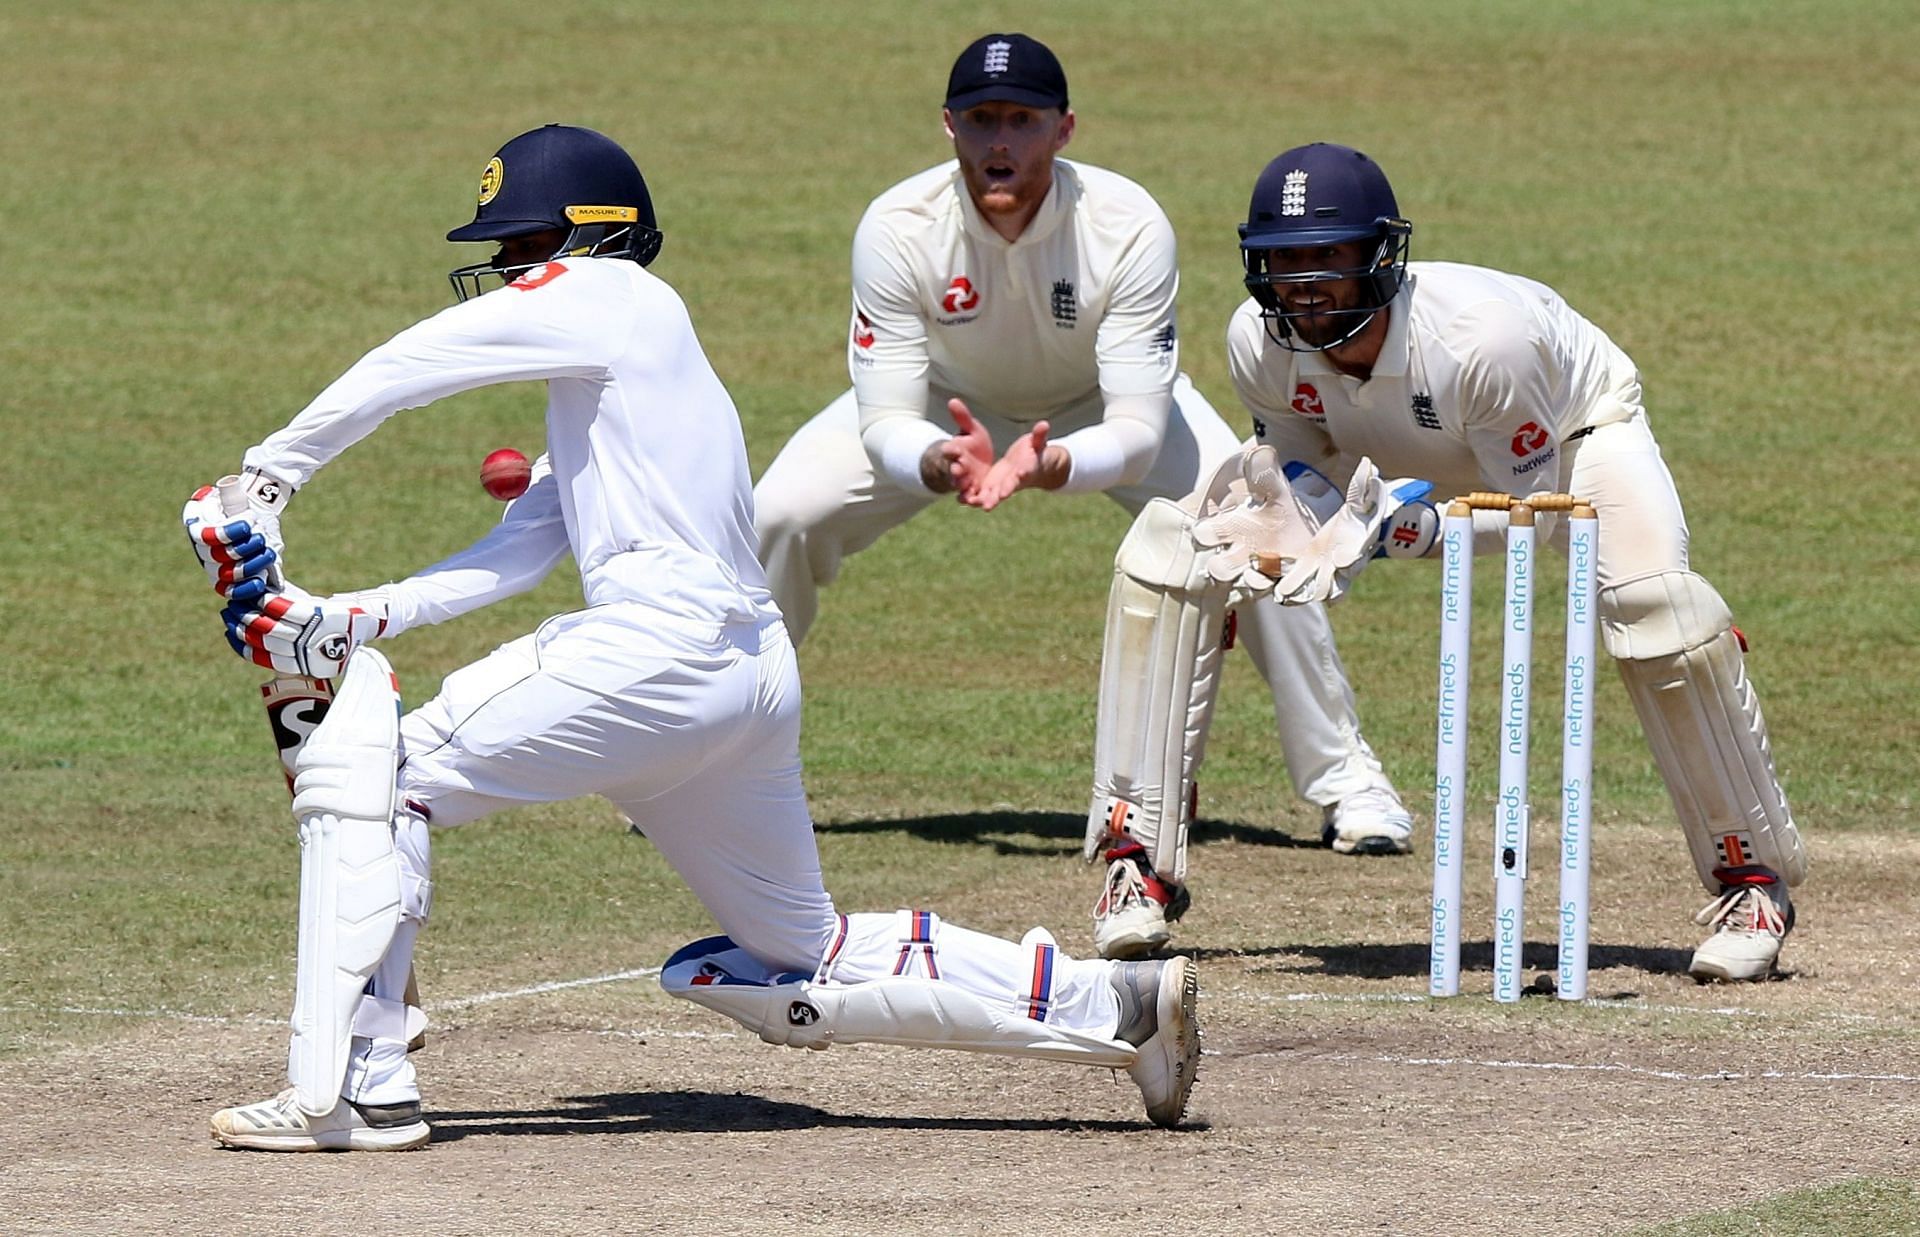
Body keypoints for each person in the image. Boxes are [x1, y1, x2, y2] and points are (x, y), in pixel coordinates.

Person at [180, 124, 1199, 1152]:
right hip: (740, 676)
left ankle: (362, 1082)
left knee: (381, 776)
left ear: (583, 240)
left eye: (519, 248)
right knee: (807, 948)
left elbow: (416, 363)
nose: (504, 275)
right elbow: (520, 552)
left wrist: (266, 477)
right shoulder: (626, 384)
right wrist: (340, 617)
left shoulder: (617, 298)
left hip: (656, 652)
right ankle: (1114, 1004)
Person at [752, 33, 1413, 962]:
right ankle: (710, 749)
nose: (1000, 141)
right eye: (982, 119)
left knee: (1264, 530)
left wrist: (1053, 462)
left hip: (1100, 410)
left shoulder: (1126, 223)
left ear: (1063, 129)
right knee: (778, 514)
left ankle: (1347, 782)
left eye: (1022, 119)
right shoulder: (896, 227)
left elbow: (1140, 430)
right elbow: (882, 418)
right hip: (948, 408)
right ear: (949, 126)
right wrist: (942, 459)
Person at [1218, 142, 1807, 980]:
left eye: (1328, 257)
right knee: (1179, 553)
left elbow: (1535, 517)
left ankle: (1753, 881)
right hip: (1408, 454)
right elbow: (1303, 474)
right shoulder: (1256, 341)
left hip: (1572, 439)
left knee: (1656, 612)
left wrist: (1396, 530)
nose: (1305, 286)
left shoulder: (1482, 341)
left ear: (1380, 257)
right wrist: (1305, 528)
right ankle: (1141, 873)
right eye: (1284, 262)